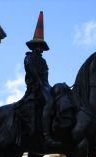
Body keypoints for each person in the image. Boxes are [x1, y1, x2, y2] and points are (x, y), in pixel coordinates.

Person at [24, 11, 61, 148]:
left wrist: (49, 87)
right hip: (34, 87)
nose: (40, 48)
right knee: (49, 101)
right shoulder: (29, 58)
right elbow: (32, 72)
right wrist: (41, 84)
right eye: (38, 46)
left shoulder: (43, 61)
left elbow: (46, 77)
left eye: (41, 46)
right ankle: (46, 135)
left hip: (44, 85)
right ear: (33, 47)